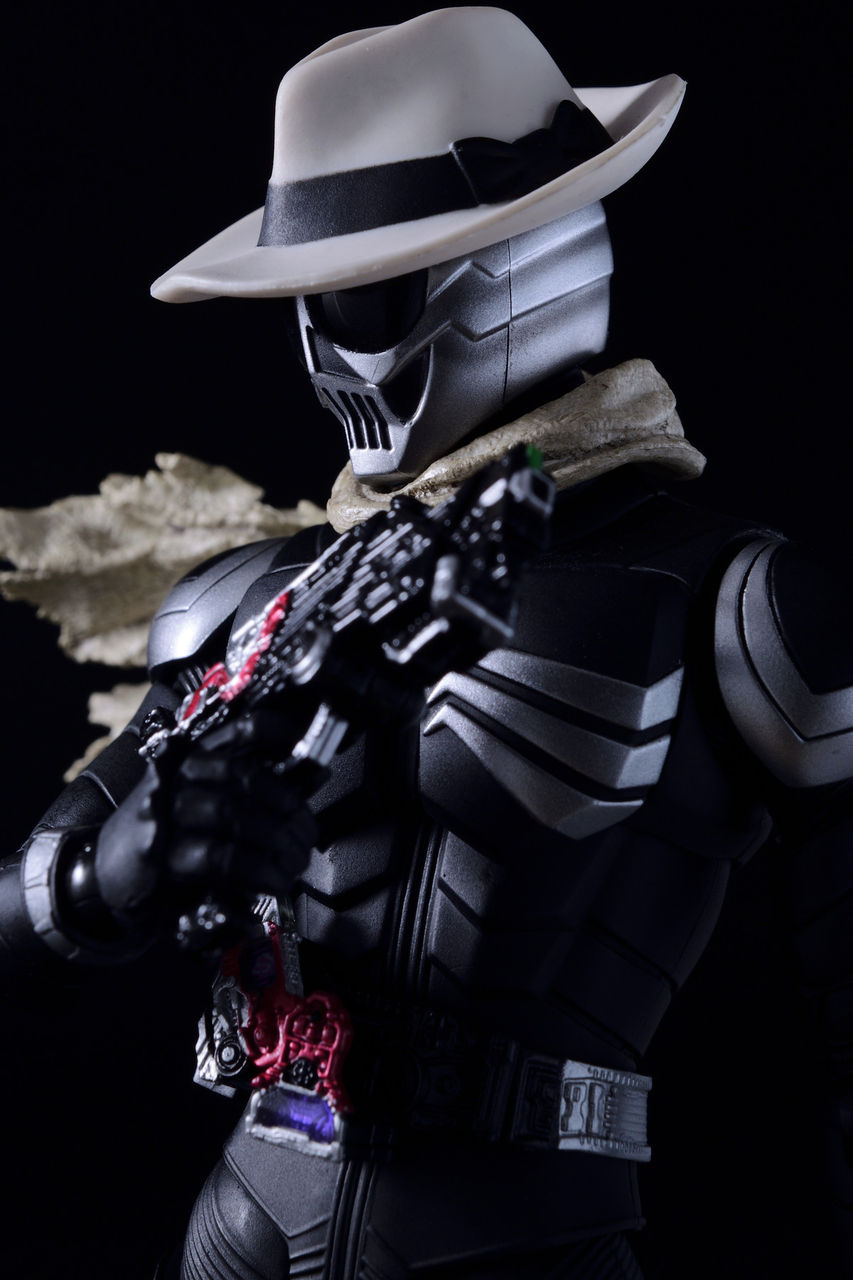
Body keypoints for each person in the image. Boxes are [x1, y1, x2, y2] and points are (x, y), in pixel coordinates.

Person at [2, 9, 850, 1277]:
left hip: (521, 1235)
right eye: (303, 296)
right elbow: (20, 915)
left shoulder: (731, 600)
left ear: (516, 261)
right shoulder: (252, 602)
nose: (319, 339)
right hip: (244, 1218)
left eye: (356, 288)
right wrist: (106, 873)